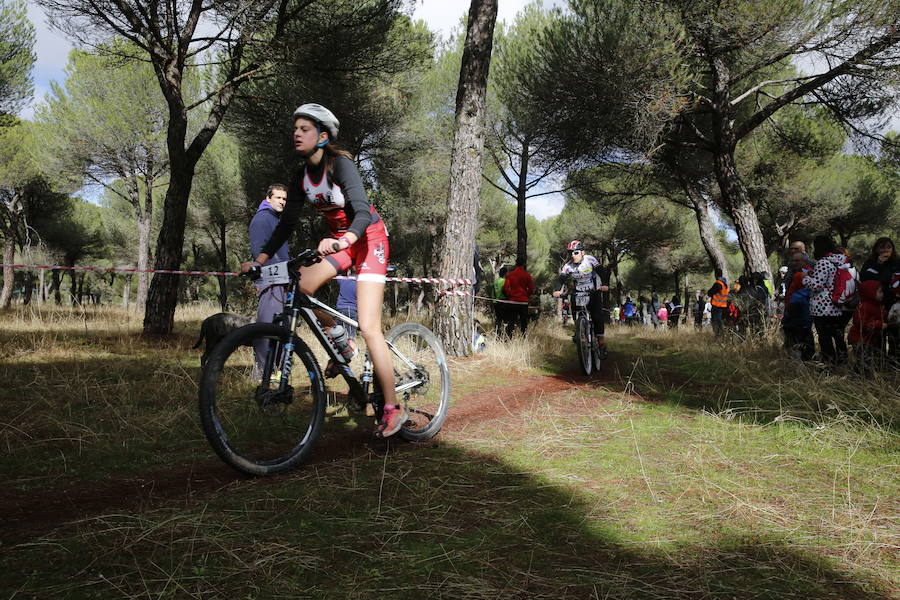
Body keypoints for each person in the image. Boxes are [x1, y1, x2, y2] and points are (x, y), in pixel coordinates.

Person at [242, 103, 405, 438]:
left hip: (369, 236)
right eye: (295, 128)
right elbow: (285, 225)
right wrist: (260, 259)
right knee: (300, 287)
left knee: (370, 326)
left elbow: (361, 210)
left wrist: (345, 239)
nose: (297, 133)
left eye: (305, 128)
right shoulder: (301, 175)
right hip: (340, 241)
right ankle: (341, 343)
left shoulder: (340, 165)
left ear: (323, 135)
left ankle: (392, 408)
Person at [249, 184, 289, 373]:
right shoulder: (262, 218)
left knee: (278, 326)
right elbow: (259, 251)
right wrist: (277, 275)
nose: (282, 201)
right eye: (278, 198)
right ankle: (262, 371)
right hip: (271, 281)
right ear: (268, 199)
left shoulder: (274, 219)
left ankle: (275, 369)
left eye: (284, 199)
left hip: (280, 280)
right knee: (267, 327)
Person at [553, 240, 610, 357]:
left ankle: (601, 343)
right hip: (579, 292)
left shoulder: (590, 260)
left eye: (576, 253)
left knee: (597, 316)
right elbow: (561, 279)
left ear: (582, 252)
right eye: (571, 253)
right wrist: (557, 290)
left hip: (593, 290)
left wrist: (604, 284)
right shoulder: (568, 266)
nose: (573, 256)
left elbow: (601, 272)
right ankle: (579, 331)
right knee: (574, 308)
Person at [803, 235, 848, 367]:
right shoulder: (840, 261)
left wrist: (805, 278)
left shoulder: (823, 262)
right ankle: (843, 362)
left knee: (825, 338)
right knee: (839, 337)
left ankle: (829, 364)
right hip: (839, 305)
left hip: (823, 307)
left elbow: (816, 285)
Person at [859, 237, 899, 363]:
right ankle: (879, 361)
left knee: (895, 333)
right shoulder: (870, 263)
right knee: (877, 334)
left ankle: (894, 361)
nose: (885, 250)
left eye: (888, 247)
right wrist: (879, 264)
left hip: (893, 304)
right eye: (882, 247)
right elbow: (865, 279)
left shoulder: (897, 263)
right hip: (875, 304)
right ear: (876, 249)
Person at [848, 280, 886, 374]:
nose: (882, 294)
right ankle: (859, 379)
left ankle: (858, 376)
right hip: (859, 340)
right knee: (864, 361)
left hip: (867, 339)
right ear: (870, 293)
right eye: (880, 292)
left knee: (865, 360)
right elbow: (862, 323)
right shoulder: (864, 307)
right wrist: (879, 325)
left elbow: (879, 315)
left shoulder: (877, 305)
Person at [503, 258, 535, 336]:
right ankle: (523, 338)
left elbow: (505, 288)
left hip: (513, 301)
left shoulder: (510, 275)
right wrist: (526, 295)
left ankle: (509, 338)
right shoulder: (527, 275)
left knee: (511, 321)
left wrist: (510, 295)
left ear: (516, 264)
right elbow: (531, 289)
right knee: (523, 322)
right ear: (524, 264)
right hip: (523, 302)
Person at [708, 268, 728, 337]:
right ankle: (721, 335)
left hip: (717, 306)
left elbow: (710, 292)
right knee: (719, 322)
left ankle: (718, 336)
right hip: (723, 306)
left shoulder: (718, 284)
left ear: (716, 275)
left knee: (716, 322)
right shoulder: (725, 284)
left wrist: (710, 293)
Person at [493, 265, 509, 336]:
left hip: (496, 302)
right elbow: (506, 291)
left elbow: (492, 293)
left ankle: (497, 334)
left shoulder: (495, 281)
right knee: (506, 320)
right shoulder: (505, 281)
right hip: (503, 302)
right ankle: (505, 335)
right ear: (505, 274)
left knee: (498, 319)